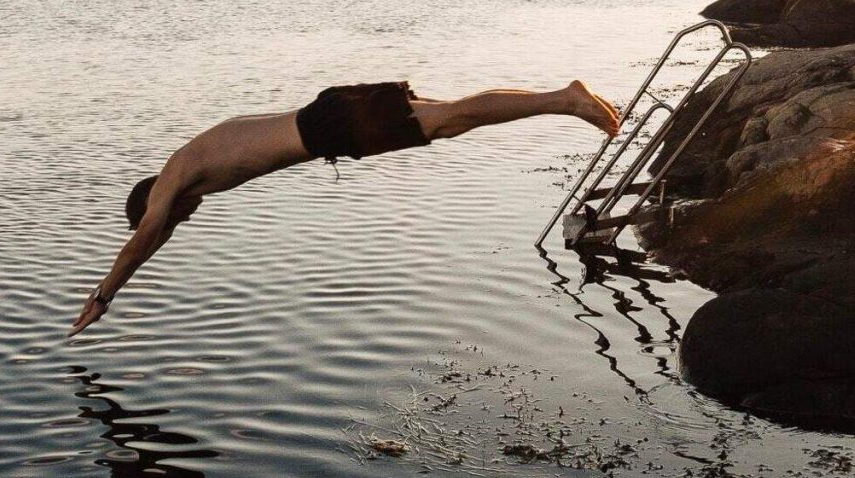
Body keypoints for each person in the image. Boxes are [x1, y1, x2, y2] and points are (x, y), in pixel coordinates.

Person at [69, 79, 621, 335]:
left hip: (328, 127)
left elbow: (145, 238)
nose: (177, 224)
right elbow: (157, 233)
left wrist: (103, 296)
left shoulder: (173, 176)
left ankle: (563, 100)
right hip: (328, 114)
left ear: (152, 203)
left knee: (450, 119)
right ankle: (560, 98)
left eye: (168, 219)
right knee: (452, 118)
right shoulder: (189, 170)